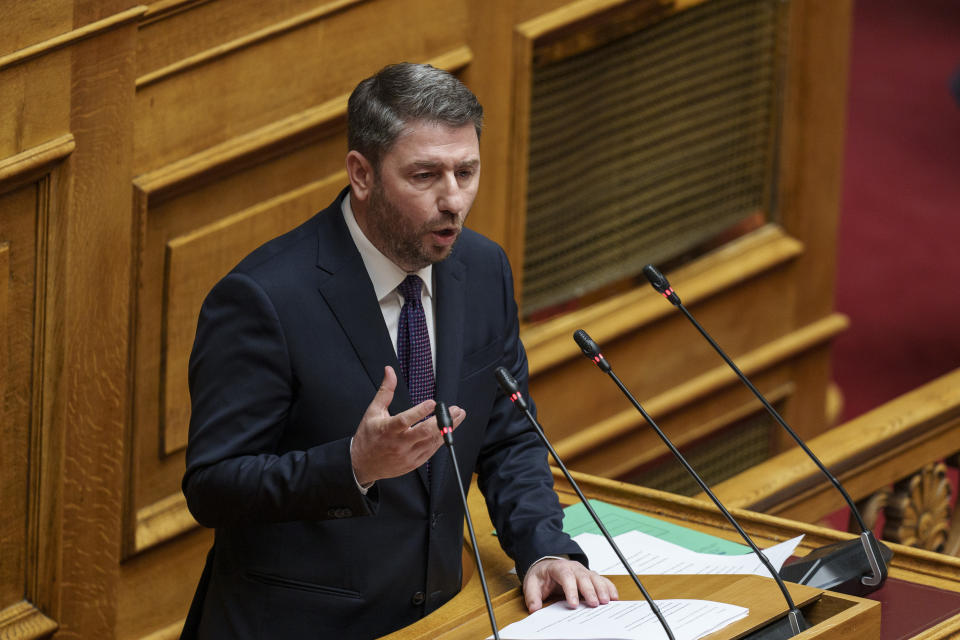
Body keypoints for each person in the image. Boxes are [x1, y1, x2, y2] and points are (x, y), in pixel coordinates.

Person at [180, 62, 616, 639]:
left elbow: (509, 437)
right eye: (425, 176)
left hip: (438, 621)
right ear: (361, 173)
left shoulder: (482, 270)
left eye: (467, 171)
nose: (454, 200)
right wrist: (353, 466)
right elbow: (213, 486)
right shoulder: (265, 299)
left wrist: (544, 550)